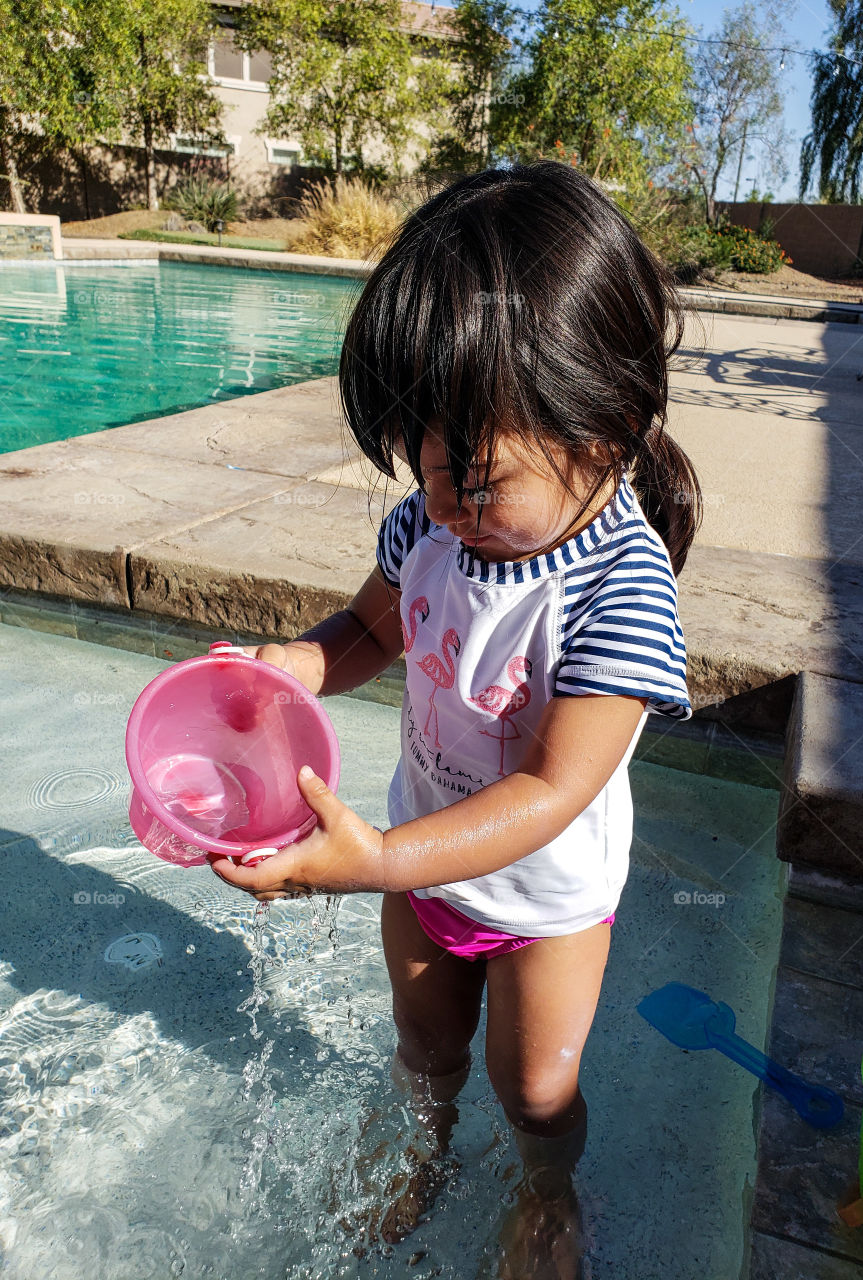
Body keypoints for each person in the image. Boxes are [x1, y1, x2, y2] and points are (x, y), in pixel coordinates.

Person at [210, 160, 701, 1278]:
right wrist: (292, 664)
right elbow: (371, 628)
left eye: (473, 482)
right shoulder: (433, 525)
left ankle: (546, 1185)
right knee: (427, 1045)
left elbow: (550, 792)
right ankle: (424, 1149)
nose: (438, 506)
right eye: (424, 466)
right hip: (419, 868)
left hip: (545, 899)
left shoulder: (617, 591)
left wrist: (377, 858)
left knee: (535, 1086)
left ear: (607, 427)